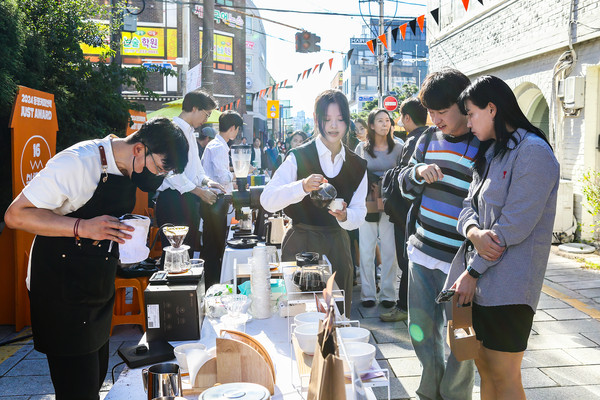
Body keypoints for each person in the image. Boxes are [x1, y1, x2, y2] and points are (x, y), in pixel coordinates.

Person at [3, 118, 188, 400]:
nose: (158, 177)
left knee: (95, 377)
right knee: (76, 389)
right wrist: (82, 227)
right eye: (159, 169)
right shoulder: (77, 163)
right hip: (60, 287)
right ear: (139, 149)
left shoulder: (126, 164)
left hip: (96, 283)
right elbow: (16, 215)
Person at [446, 75, 559, 400]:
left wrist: (472, 271)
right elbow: (468, 205)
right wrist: (473, 231)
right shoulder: (493, 152)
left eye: (471, 113)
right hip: (479, 286)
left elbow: (513, 227)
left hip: (510, 288)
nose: (467, 122)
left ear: (492, 108)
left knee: (504, 374)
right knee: (484, 369)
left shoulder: (533, 152)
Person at [399, 68, 479, 399]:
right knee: (420, 330)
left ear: (463, 105)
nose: (435, 118)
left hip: (454, 269)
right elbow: (403, 186)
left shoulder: (481, 146)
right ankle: (430, 388)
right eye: (430, 111)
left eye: (441, 111)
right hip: (421, 257)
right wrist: (417, 172)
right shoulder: (427, 139)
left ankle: (455, 393)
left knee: (460, 334)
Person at [260, 89, 368, 313]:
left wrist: (346, 216)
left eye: (340, 119)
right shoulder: (298, 157)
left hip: (338, 244)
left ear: (347, 122)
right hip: (301, 242)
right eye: (327, 119)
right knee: (300, 315)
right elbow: (267, 200)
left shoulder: (357, 164)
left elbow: (360, 212)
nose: (333, 126)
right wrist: (301, 186)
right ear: (316, 119)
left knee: (337, 316)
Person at [155, 89, 223, 257]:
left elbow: (196, 168)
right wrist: (200, 192)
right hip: (172, 201)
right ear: (194, 108)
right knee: (173, 256)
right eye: (206, 115)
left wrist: (207, 182)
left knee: (187, 253)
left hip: (188, 199)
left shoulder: (190, 132)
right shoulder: (172, 130)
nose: (206, 120)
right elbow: (172, 174)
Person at [380, 97, 428, 322]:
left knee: (407, 259)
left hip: (409, 211)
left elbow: (404, 180)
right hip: (426, 211)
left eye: (400, 117)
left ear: (407, 118)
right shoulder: (432, 137)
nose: (399, 121)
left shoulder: (413, 141)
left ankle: (404, 307)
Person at [355, 108, 403, 308]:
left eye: (387, 120)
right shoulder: (362, 148)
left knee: (390, 250)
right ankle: (367, 294)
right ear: (371, 125)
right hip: (368, 202)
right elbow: (356, 174)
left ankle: (388, 294)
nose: (385, 124)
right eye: (380, 121)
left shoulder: (399, 147)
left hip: (390, 203)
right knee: (366, 248)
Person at [201, 110, 243, 287]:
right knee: (214, 246)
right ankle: (213, 282)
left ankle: (213, 281)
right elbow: (221, 176)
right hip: (214, 202)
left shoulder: (218, 145)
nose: (237, 134)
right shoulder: (218, 147)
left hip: (214, 201)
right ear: (232, 128)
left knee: (213, 244)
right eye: (237, 130)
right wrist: (239, 173)